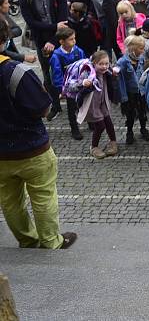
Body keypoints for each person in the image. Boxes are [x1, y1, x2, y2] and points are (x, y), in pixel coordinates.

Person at [0, 20, 77, 249]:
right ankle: (51, 241)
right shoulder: (16, 72)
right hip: (31, 148)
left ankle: (27, 239)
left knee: (10, 201)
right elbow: (43, 108)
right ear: (4, 39)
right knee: (43, 196)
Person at [19, 0, 70, 120]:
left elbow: (64, 22)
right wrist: (53, 28)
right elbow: (32, 23)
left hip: (61, 40)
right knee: (48, 75)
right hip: (42, 43)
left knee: (67, 72)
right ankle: (55, 105)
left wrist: (53, 40)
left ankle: (73, 103)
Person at [76, 51, 120, 159]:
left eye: (106, 63)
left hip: (102, 101)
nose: (104, 66)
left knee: (108, 121)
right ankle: (94, 147)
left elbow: (112, 84)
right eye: (101, 64)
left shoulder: (107, 72)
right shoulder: (87, 73)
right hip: (92, 104)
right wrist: (84, 83)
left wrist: (114, 76)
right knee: (100, 126)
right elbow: (75, 85)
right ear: (94, 64)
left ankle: (113, 142)